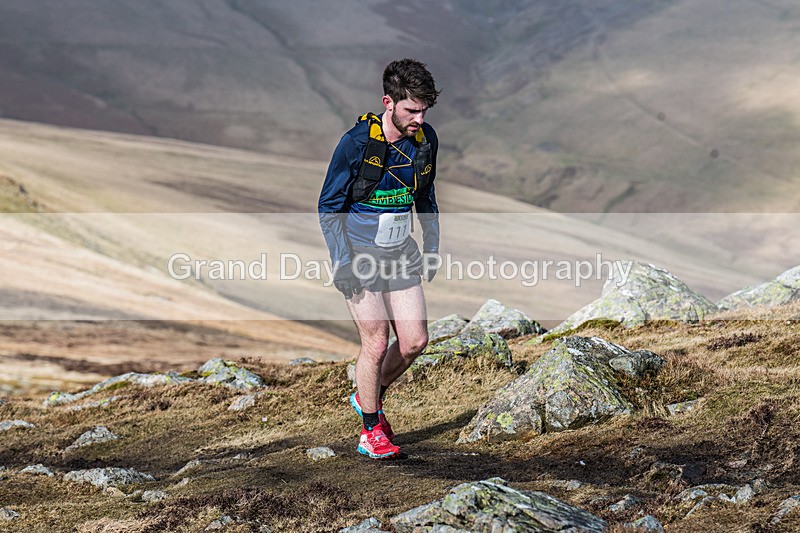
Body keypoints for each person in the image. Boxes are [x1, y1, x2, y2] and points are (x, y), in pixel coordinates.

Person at [318, 58, 441, 459]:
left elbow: (426, 197)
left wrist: (432, 247)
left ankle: (368, 395)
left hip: (401, 254)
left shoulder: (425, 141)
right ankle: (370, 430)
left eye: (424, 110)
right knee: (376, 341)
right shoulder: (355, 143)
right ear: (388, 102)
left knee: (415, 342)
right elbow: (328, 205)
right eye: (411, 110)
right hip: (359, 257)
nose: (419, 119)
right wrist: (341, 262)